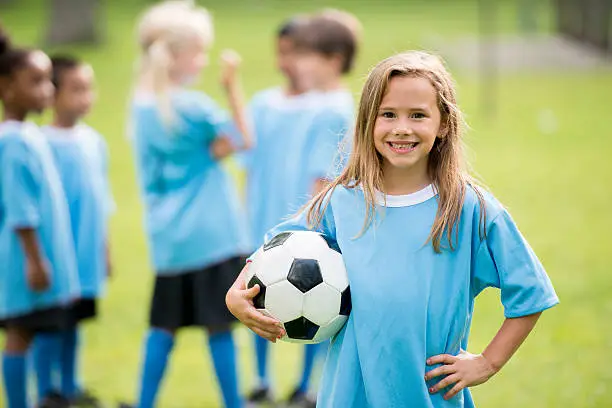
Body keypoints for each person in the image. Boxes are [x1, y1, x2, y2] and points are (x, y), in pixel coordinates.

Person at [227, 51, 559, 408]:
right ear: (368, 121)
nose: (402, 128)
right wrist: (236, 295)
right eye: (388, 114)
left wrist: (487, 362)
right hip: (348, 397)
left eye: (418, 115)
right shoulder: (340, 202)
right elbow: (274, 250)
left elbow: (530, 292)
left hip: (431, 396)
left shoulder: (467, 208)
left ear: (444, 123)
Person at [122, 2, 252, 407]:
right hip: (212, 235)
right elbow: (241, 140)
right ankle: (234, 402)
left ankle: (144, 402)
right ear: (175, 55)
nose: (203, 59)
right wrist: (231, 86)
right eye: (198, 51)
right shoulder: (192, 106)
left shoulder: (140, 108)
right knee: (220, 326)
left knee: (162, 326)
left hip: (169, 241)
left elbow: (205, 153)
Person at [245, 11, 359, 407]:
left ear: (332, 60)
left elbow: (323, 177)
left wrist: (308, 227)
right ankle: (265, 381)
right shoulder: (304, 104)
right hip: (278, 217)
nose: (297, 63)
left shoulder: (334, 109)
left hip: (307, 226)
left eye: (305, 55)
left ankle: (308, 387)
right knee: (268, 293)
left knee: (314, 298)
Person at [0, 28, 79, 408]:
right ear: (6, 86)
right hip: (23, 258)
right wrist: (34, 259)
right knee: (20, 333)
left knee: (37, 329)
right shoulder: (12, 139)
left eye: (48, 80)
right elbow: (20, 209)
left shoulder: (28, 133)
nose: (46, 89)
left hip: (37, 254)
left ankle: (45, 395)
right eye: (34, 81)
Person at [33, 54, 114, 408]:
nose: (86, 97)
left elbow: (102, 203)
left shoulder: (94, 141)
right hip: (55, 255)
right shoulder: (42, 143)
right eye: (76, 89)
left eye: (89, 88)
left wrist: (105, 249)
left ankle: (70, 386)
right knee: (49, 326)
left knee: (74, 323)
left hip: (85, 255)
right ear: (51, 93)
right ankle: (46, 392)